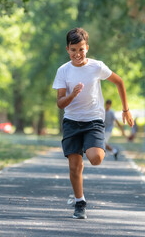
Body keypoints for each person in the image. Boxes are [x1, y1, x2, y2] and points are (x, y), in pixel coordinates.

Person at [52, 28, 133, 219]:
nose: (77, 54)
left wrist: (125, 109)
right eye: (73, 50)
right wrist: (73, 94)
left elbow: (119, 82)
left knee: (96, 158)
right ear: (67, 50)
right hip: (72, 122)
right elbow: (60, 103)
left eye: (81, 49)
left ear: (86, 47)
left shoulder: (97, 67)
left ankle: (90, 149)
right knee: (74, 167)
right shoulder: (63, 71)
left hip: (94, 121)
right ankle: (80, 202)